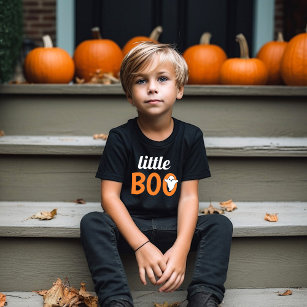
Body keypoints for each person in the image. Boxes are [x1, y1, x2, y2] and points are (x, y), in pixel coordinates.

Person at [80, 42, 233, 307]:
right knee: (93, 222)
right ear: (129, 95)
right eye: (141, 81)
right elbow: (109, 197)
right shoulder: (120, 137)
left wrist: (182, 248)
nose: (152, 87)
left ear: (180, 89)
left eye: (162, 78)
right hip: (132, 226)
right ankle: (116, 299)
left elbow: (188, 198)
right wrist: (141, 246)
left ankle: (203, 295)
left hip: (175, 226)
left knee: (219, 225)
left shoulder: (191, 136)